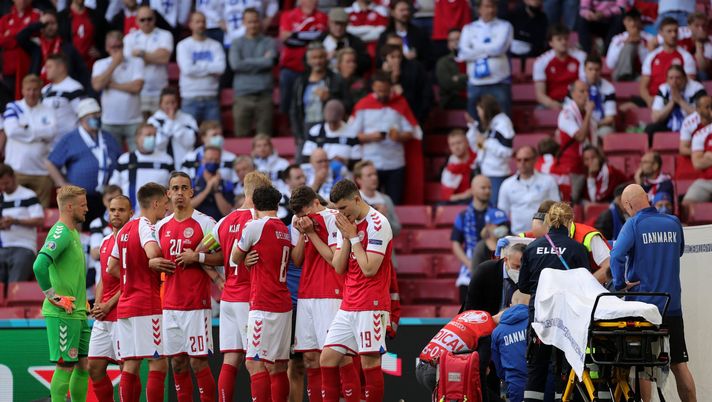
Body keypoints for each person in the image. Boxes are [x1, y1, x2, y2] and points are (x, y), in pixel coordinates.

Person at [610, 184, 697, 402]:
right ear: (647, 198)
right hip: (672, 306)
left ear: (629, 205)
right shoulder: (673, 222)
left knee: (642, 366)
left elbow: (616, 257)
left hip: (644, 309)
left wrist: (620, 284)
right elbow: (678, 253)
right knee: (679, 364)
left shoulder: (633, 224)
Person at [320, 179, 394, 402]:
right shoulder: (348, 225)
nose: (340, 214)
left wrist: (353, 237)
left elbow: (370, 268)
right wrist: (346, 237)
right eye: (337, 209)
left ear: (356, 199)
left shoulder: (378, 224)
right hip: (348, 303)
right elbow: (339, 267)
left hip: (371, 304)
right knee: (327, 359)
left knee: (369, 363)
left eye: (343, 208)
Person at [288, 185, 361, 402]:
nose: (303, 219)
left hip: (331, 292)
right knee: (311, 357)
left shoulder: (332, 219)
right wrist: (302, 235)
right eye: (299, 216)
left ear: (316, 204)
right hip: (306, 294)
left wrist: (311, 232)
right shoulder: (299, 222)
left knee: (340, 357)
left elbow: (332, 259)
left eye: (305, 213)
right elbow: (297, 260)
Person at [152, 172, 218, 402]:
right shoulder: (161, 227)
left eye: (184, 188)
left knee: (198, 361)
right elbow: (151, 259)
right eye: (175, 188)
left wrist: (198, 257)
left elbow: (222, 256)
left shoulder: (206, 223)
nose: (179, 193)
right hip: (169, 305)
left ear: (191, 192)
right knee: (178, 364)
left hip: (196, 304)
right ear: (168, 193)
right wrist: (155, 262)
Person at [518, 202, 590, 402]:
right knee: (564, 371)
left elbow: (523, 286)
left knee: (536, 370)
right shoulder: (577, 249)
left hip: (539, 320)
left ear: (548, 221)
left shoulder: (532, 249)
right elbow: (585, 285)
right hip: (566, 321)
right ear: (569, 221)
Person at [211, 171, 273, 402]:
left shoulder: (223, 222)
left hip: (228, 298)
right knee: (257, 362)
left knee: (230, 360)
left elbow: (200, 250)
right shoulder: (259, 222)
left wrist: (218, 279)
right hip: (250, 299)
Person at [106, 182, 169, 402]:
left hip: (125, 305)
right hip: (146, 304)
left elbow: (111, 267)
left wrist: (129, 277)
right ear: (156, 203)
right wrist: (157, 259)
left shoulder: (124, 230)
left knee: (131, 363)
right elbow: (152, 252)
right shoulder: (146, 226)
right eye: (165, 204)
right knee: (158, 362)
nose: (167, 209)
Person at [231, 185, 294, 402]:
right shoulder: (284, 230)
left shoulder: (255, 226)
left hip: (263, 303)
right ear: (277, 205)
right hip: (283, 304)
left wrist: (246, 258)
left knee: (254, 363)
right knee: (278, 366)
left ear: (254, 205)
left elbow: (233, 257)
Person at [32, 185, 90, 402]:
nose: (87, 208)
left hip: (77, 311)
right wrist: (53, 297)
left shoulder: (72, 231)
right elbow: (39, 266)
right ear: (69, 206)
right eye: (83, 205)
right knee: (65, 365)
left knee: (83, 365)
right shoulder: (61, 232)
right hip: (63, 313)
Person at [46, 98, 123, 223]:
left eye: (98, 114)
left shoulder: (108, 137)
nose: (96, 117)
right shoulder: (70, 139)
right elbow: (50, 163)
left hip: (107, 196)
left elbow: (121, 160)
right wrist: (62, 184)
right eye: (92, 115)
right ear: (82, 119)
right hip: (80, 197)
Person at [87, 194, 131, 402]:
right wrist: (98, 304)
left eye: (121, 210)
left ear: (131, 214)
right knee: (94, 367)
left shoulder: (134, 241)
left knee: (126, 369)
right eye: (113, 210)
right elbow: (103, 279)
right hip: (103, 315)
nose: (116, 214)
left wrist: (108, 304)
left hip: (124, 314)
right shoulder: (105, 242)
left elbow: (133, 281)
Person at [350, 71, 418, 205]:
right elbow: (351, 134)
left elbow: (412, 131)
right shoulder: (363, 105)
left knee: (394, 203)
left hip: (395, 163)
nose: (382, 94)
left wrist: (399, 136)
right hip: (371, 162)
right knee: (368, 204)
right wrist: (370, 137)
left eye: (385, 91)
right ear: (373, 87)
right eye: (379, 90)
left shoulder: (400, 103)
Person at [3, 74, 58, 207]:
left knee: (40, 214)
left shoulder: (49, 110)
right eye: (28, 89)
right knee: (15, 210)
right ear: (22, 90)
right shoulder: (13, 107)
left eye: (35, 89)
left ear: (40, 90)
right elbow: (11, 131)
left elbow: (52, 133)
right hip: (17, 170)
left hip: (42, 172)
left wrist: (26, 132)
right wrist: (39, 134)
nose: (32, 93)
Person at [416, 310, 496, 394]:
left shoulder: (467, 315)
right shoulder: (488, 331)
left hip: (421, 367)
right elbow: (480, 372)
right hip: (436, 371)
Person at [457, 0, 513, 117]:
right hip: (475, 82)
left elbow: (499, 48)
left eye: (493, 6)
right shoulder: (468, 28)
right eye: (487, 6)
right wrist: (489, 50)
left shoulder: (505, 26)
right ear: (479, 9)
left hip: (499, 81)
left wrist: (475, 49)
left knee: (503, 120)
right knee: (474, 121)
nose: (491, 10)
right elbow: (463, 53)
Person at [91, 30, 144, 151]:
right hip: (110, 121)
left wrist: (112, 84)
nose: (116, 50)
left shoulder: (136, 62)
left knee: (137, 158)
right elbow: (97, 86)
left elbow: (137, 87)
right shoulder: (100, 64)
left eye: (118, 46)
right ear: (106, 48)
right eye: (112, 47)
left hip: (134, 121)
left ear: (123, 46)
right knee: (113, 159)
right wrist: (114, 64)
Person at [291, 42, 350, 150]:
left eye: (321, 57)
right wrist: (298, 134)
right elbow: (294, 110)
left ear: (326, 58)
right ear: (308, 60)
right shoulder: (300, 81)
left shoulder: (336, 79)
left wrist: (330, 99)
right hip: (306, 127)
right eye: (314, 58)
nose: (318, 61)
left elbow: (348, 105)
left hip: (329, 128)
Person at [229, 8, 277, 137]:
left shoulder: (269, 42)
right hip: (242, 96)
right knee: (241, 136)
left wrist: (246, 62)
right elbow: (236, 65)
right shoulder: (236, 43)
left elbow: (270, 62)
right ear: (243, 23)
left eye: (256, 21)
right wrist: (261, 61)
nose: (253, 25)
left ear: (260, 22)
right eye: (249, 22)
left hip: (264, 95)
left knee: (265, 138)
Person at [16, 10, 90, 89]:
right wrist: (40, 24)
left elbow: (82, 71)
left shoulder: (67, 47)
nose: (50, 27)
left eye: (53, 23)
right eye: (46, 24)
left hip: (62, 88)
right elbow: (20, 37)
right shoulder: (36, 45)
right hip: (38, 90)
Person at [278, 0, 328, 114]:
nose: (312, 2)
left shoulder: (323, 17)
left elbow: (322, 38)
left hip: (314, 67)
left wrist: (295, 35)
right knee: (286, 83)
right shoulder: (288, 15)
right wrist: (309, 37)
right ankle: (286, 121)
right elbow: (284, 37)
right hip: (291, 65)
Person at [176, 11, 226, 125]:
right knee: (188, 138)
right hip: (190, 98)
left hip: (211, 97)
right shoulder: (183, 45)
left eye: (203, 22)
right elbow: (187, 69)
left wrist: (197, 65)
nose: (201, 25)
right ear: (191, 24)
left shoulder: (215, 45)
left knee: (213, 139)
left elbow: (221, 68)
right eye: (197, 22)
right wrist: (210, 67)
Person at [123, 6, 173, 117]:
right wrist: (155, 55)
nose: (146, 22)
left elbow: (164, 58)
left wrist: (141, 54)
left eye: (149, 19)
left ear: (154, 19)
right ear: (137, 21)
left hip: (160, 90)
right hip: (140, 91)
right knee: (142, 129)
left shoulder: (165, 35)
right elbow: (129, 64)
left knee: (161, 126)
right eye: (142, 19)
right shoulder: (129, 38)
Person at [109, 124, 173, 211]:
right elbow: (114, 187)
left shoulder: (166, 160)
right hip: (130, 215)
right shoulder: (125, 159)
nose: (152, 138)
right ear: (137, 138)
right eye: (148, 135)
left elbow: (172, 188)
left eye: (154, 135)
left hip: (158, 215)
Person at [498, 146, 560, 235]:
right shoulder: (507, 184)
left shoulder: (548, 181)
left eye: (526, 160)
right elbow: (503, 213)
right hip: (517, 235)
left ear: (535, 160)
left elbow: (556, 208)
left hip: (543, 235)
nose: (522, 163)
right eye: (519, 160)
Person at [0, 164, 44, 284]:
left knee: (15, 286)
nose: (3, 187)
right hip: (2, 246)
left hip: (24, 247)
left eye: (6, 183)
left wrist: (16, 221)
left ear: (14, 178)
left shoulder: (28, 195)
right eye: (0, 184)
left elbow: (40, 220)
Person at [451, 175, 493, 300]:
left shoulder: (497, 214)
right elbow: (455, 243)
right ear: (473, 190)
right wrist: (469, 263)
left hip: (491, 267)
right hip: (468, 270)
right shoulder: (463, 216)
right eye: (483, 187)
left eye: (489, 188)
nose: (487, 191)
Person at [469, 95, 515, 206]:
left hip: (497, 174)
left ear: (486, 109)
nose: (478, 114)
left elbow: (507, 151)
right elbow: (477, 148)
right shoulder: (487, 124)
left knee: (495, 207)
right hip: (484, 172)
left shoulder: (503, 123)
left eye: (479, 110)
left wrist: (485, 143)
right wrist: (473, 130)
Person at [640, 17, 696, 108]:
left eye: (675, 31)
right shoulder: (651, 56)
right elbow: (643, 87)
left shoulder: (686, 57)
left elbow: (690, 84)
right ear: (661, 33)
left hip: (677, 100)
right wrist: (649, 100)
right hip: (653, 99)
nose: (673, 35)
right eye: (669, 31)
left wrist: (672, 99)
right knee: (627, 106)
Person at [557, 80, 596, 203]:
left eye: (587, 91)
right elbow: (580, 136)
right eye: (581, 91)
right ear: (572, 94)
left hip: (585, 165)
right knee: (570, 204)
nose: (586, 95)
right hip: (571, 167)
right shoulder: (566, 113)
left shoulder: (586, 114)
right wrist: (589, 113)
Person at [646, 65, 706, 141]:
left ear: (685, 78)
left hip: (690, 126)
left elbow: (703, 115)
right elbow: (655, 118)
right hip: (669, 125)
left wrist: (680, 101)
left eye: (677, 78)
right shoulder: (663, 89)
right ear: (667, 79)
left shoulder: (697, 88)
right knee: (650, 129)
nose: (674, 82)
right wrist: (672, 102)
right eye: (671, 78)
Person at [533, 24, 586, 109]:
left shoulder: (581, 57)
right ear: (550, 42)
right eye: (559, 39)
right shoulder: (541, 62)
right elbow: (540, 95)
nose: (563, 42)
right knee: (539, 109)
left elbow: (584, 85)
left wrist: (575, 104)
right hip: (552, 102)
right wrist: (553, 104)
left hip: (575, 101)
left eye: (566, 39)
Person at [465, 242, 526, 315]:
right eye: (516, 266)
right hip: (485, 319)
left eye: (523, 268)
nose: (519, 271)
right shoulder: (485, 271)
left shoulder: (530, 275)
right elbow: (471, 306)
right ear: (506, 260)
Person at [380, 43, 433, 124]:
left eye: (399, 57)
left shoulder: (412, 71)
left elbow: (416, 97)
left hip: (411, 115)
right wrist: (389, 78)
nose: (397, 60)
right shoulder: (379, 77)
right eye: (392, 57)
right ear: (385, 59)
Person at [147, 87, 198, 170]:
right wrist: (170, 122)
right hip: (162, 166)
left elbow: (189, 142)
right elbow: (159, 144)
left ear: (177, 103)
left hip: (184, 166)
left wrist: (175, 124)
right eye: (167, 103)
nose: (170, 106)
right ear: (160, 104)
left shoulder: (188, 119)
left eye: (173, 102)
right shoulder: (153, 121)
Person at [491, 294, 530, 402]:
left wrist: (509, 377)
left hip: (515, 386)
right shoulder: (538, 324)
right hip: (543, 384)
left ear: (511, 305)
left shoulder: (497, 332)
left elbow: (498, 367)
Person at [0, 0, 40, 98]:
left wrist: (10, 35)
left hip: (26, 68)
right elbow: (1, 40)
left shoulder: (35, 15)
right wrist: (19, 35)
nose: (22, 0)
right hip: (8, 69)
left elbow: (29, 34)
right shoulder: (5, 19)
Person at [353, 160, 402, 241]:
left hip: (385, 250)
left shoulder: (386, 199)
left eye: (375, 174)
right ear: (359, 180)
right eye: (369, 175)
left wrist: (385, 218)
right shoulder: (354, 201)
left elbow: (397, 231)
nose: (374, 178)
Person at [41, 54, 86, 140]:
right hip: (48, 143)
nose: (46, 70)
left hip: (69, 141)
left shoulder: (74, 87)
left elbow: (83, 114)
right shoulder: (45, 90)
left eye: (49, 67)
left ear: (61, 67)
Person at [87, 185, 123, 294]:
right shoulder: (97, 224)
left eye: (117, 199)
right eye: (110, 200)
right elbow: (95, 253)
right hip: (105, 282)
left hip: (127, 278)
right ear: (104, 201)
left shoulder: (133, 221)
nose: (114, 203)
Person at [181, 121, 239, 187]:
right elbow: (182, 182)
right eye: (214, 135)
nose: (219, 138)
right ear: (203, 137)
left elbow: (236, 183)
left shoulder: (231, 158)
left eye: (220, 135)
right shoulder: (189, 158)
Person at [376, 0, 432, 68]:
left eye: (407, 10)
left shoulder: (419, 34)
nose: (405, 13)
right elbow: (379, 60)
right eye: (402, 10)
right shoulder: (385, 36)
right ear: (392, 12)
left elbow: (429, 58)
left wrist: (416, 55)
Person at [303, 99, 361, 164]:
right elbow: (306, 156)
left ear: (341, 116)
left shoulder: (351, 133)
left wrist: (344, 161)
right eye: (330, 123)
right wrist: (325, 161)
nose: (332, 126)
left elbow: (357, 160)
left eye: (335, 123)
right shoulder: (316, 131)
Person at [606, 9, 654, 81]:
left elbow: (649, 64)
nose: (633, 24)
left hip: (639, 76)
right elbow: (610, 64)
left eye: (635, 20)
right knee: (629, 46)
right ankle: (625, 74)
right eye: (629, 20)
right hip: (619, 75)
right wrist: (625, 44)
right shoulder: (617, 39)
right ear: (624, 22)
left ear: (640, 21)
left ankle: (627, 76)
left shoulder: (649, 38)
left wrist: (639, 45)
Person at [58, 0, 107, 69]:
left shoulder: (96, 16)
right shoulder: (61, 18)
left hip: (93, 67)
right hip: (69, 67)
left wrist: (101, 52)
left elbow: (107, 36)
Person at [191, 146, 235, 221]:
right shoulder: (193, 182)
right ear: (203, 160)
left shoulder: (227, 184)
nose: (213, 162)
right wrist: (207, 190)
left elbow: (227, 212)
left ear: (220, 161)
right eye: (210, 159)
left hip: (218, 226)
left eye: (216, 160)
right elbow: (188, 207)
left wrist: (216, 189)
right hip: (197, 226)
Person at [322, 8, 371, 75]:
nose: (338, 27)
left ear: (347, 24)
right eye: (336, 24)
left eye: (342, 24)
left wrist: (351, 58)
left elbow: (366, 63)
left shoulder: (356, 42)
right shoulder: (320, 41)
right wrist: (324, 58)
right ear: (329, 23)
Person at [582, 54, 617, 137]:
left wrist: (594, 125)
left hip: (601, 125)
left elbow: (610, 118)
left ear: (601, 70)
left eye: (596, 69)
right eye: (590, 69)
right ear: (585, 69)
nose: (593, 73)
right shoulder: (578, 87)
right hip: (581, 124)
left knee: (605, 133)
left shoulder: (609, 88)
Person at [440, 128, 477, 203]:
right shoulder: (450, 170)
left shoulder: (478, 159)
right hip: (461, 204)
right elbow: (447, 197)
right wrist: (464, 195)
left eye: (459, 143)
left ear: (467, 142)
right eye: (452, 144)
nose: (456, 147)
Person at [436, 29, 468, 110]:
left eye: (458, 39)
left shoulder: (472, 59)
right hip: (451, 99)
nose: (456, 42)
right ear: (448, 44)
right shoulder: (443, 62)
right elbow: (447, 84)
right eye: (452, 40)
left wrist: (458, 78)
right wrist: (467, 78)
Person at [684, 117, 712, 203]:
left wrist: (708, 156)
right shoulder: (709, 136)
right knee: (686, 205)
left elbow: (708, 157)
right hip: (706, 181)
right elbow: (698, 163)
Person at [685, 12, 712, 81]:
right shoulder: (682, 40)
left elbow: (702, 68)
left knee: (702, 74)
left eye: (704, 26)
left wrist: (698, 47)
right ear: (689, 26)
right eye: (697, 26)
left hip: (702, 76)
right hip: (683, 73)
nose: (701, 29)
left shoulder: (710, 42)